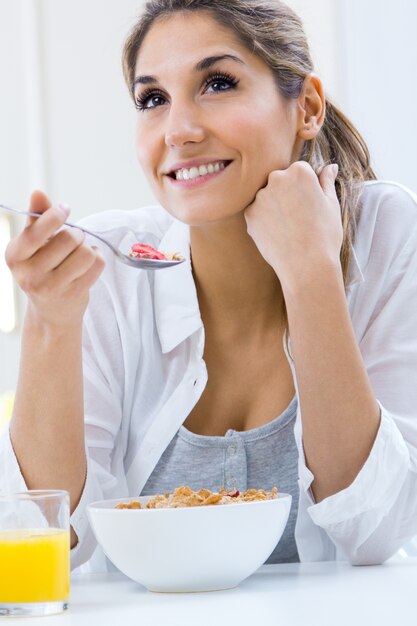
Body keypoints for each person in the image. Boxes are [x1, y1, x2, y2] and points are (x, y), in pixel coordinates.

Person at [1, 0, 417, 571]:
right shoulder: (102, 264)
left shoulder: (384, 232)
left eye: (218, 83)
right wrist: (50, 321)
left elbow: (374, 531)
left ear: (308, 107)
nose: (180, 131)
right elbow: (44, 541)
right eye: (153, 99)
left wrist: (311, 273)